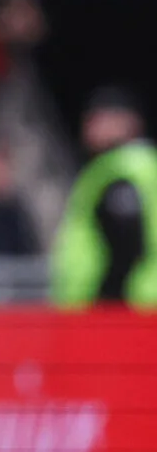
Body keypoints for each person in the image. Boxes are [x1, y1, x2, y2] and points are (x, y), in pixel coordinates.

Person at [50, 88, 157, 309]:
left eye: (101, 118)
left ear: (129, 122)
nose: (90, 126)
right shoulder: (135, 167)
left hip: (120, 307)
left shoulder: (123, 171)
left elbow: (126, 244)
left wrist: (108, 298)